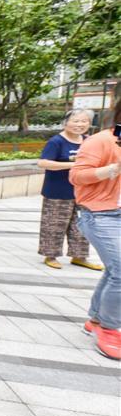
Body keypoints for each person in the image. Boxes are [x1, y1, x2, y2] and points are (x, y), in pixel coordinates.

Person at [70, 97, 121, 360]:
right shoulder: (102, 141)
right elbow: (76, 176)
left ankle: (98, 320)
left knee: (116, 270)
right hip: (100, 215)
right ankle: (111, 328)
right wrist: (110, 170)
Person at [37, 109, 102, 270]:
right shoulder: (56, 142)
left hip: (84, 192)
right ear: (66, 123)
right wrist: (73, 165)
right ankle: (50, 255)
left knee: (81, 225)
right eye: (76, 121)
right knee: (54, 225)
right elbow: (43, 163)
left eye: (84, 121)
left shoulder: (89, 141)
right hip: (58, 192)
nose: (80, 125)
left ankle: (79, 256)